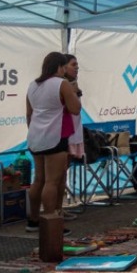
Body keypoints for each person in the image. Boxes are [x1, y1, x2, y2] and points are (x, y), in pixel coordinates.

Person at [25, 52, 82, 234]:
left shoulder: (32, 85)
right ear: (59, 67)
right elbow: (75, 109)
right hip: (55, 137)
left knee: (38, 180)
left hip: (35, 137)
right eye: (64, 67)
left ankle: (33, 220)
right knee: (52, 181)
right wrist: (72, 93)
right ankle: (51, 222)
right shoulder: (61, 84)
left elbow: (29, 114)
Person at [60, 54, 84, 219]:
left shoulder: (71, 85)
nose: (76, 68)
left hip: (74, 131)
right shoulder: (61, 85)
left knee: (63, 172)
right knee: (58, 174)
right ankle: (55, 211)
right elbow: (72, 108)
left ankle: (58, 209)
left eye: (77, 65)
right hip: (64, 133)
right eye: (73, 64)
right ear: (63, 67)